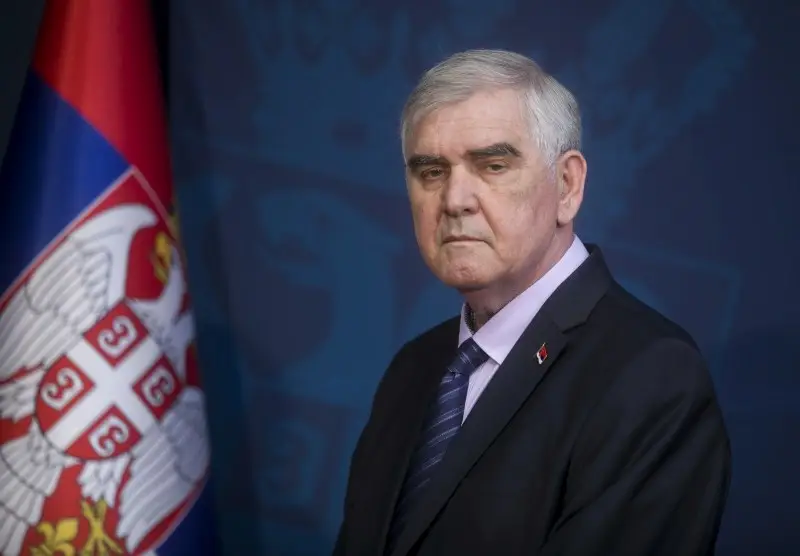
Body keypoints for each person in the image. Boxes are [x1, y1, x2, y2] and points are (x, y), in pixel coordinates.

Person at [333, 49, 731, 556]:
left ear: (567, 185)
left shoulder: (650, 376)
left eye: (493, 165)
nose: (454, 200)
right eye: (431, 171)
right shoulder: (413, 369)